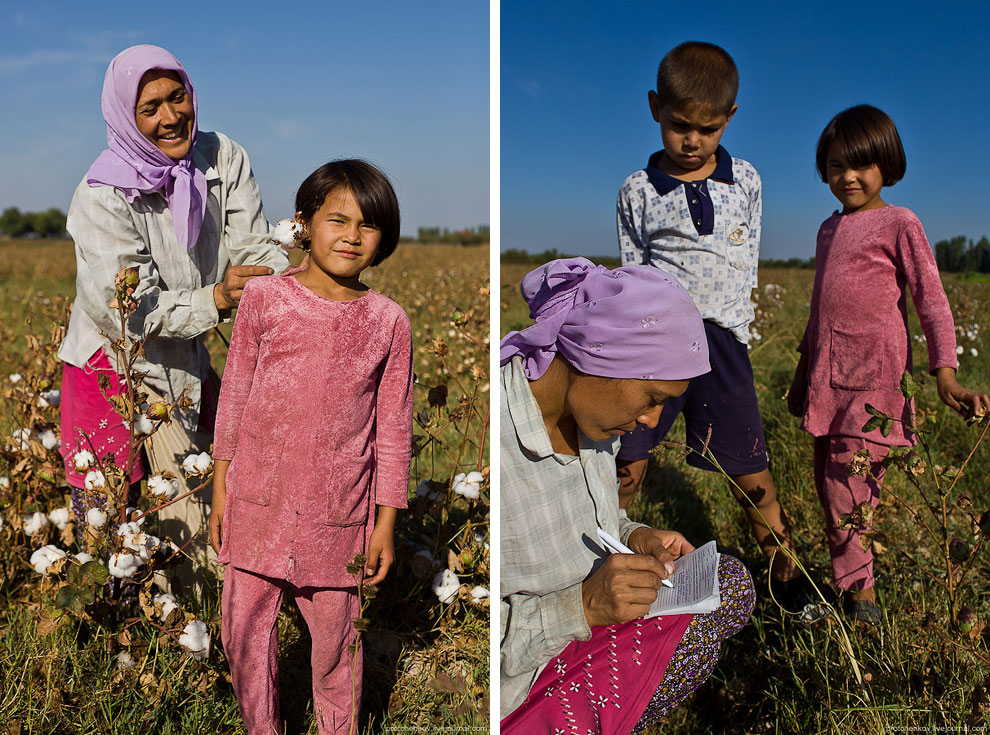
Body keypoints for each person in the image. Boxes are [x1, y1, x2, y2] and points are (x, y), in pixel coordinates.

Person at [57, 44, 288, 580]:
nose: (170, 116)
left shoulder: (222, 156)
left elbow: (254, 247)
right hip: (111, 367)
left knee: (206, 517)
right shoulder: (101, 197)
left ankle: (201, 630)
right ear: (125, 118)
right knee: (111, 528)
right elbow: (128, 314)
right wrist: (218, 299)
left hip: (186, 358)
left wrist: (293, 285)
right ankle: (109, 643)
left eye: (177, 97)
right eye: (150, 107)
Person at [500, 257, 755, 734]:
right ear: (598, 357)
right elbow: (475, 630)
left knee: (731, 584)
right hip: (519, 674)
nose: (651, 422)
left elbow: (597, 520)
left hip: (588, 620)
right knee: (698, 632)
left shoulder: (593, 418)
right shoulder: (494, 446)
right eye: (653, 398)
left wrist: (635, 536)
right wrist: (582, 606)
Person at [208, 160, 412, 735]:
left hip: (338, 515)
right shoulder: (265, 301)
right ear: (303, 223)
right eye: (337, 219)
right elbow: (236, 395)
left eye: (368, 226)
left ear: (384, 239)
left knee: (336, 648)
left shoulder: (388, 322)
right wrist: (222, 488)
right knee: (244, 631)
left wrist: (385, 524)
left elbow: (393, 430)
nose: (351, 235)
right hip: (256, 501)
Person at [614, 41, 807, 604]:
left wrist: (737, 326)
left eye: (708, 128)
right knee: (627, 464)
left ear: (730, 119)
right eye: (678, 126)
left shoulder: (745, 179)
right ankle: (600, 562)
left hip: (723, 347)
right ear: (655, 108)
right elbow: (633, 272)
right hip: (658, 346)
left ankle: (788, 583)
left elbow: (747, 256)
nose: (692, 140)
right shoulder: (638, 191)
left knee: (753, 477)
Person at [787, 105, 990, 623]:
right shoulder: (827, 231)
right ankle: (853, 583)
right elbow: (818, 310)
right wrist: (801, 373)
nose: (848, 176)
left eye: (861, 165)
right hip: (827, 381)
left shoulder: (900, 222)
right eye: (835, 166)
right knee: (829, 483)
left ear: (888, 165)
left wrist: (945, 372)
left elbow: (932, 298)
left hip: (873, 382)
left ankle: (863, 600)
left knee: (847, 484)